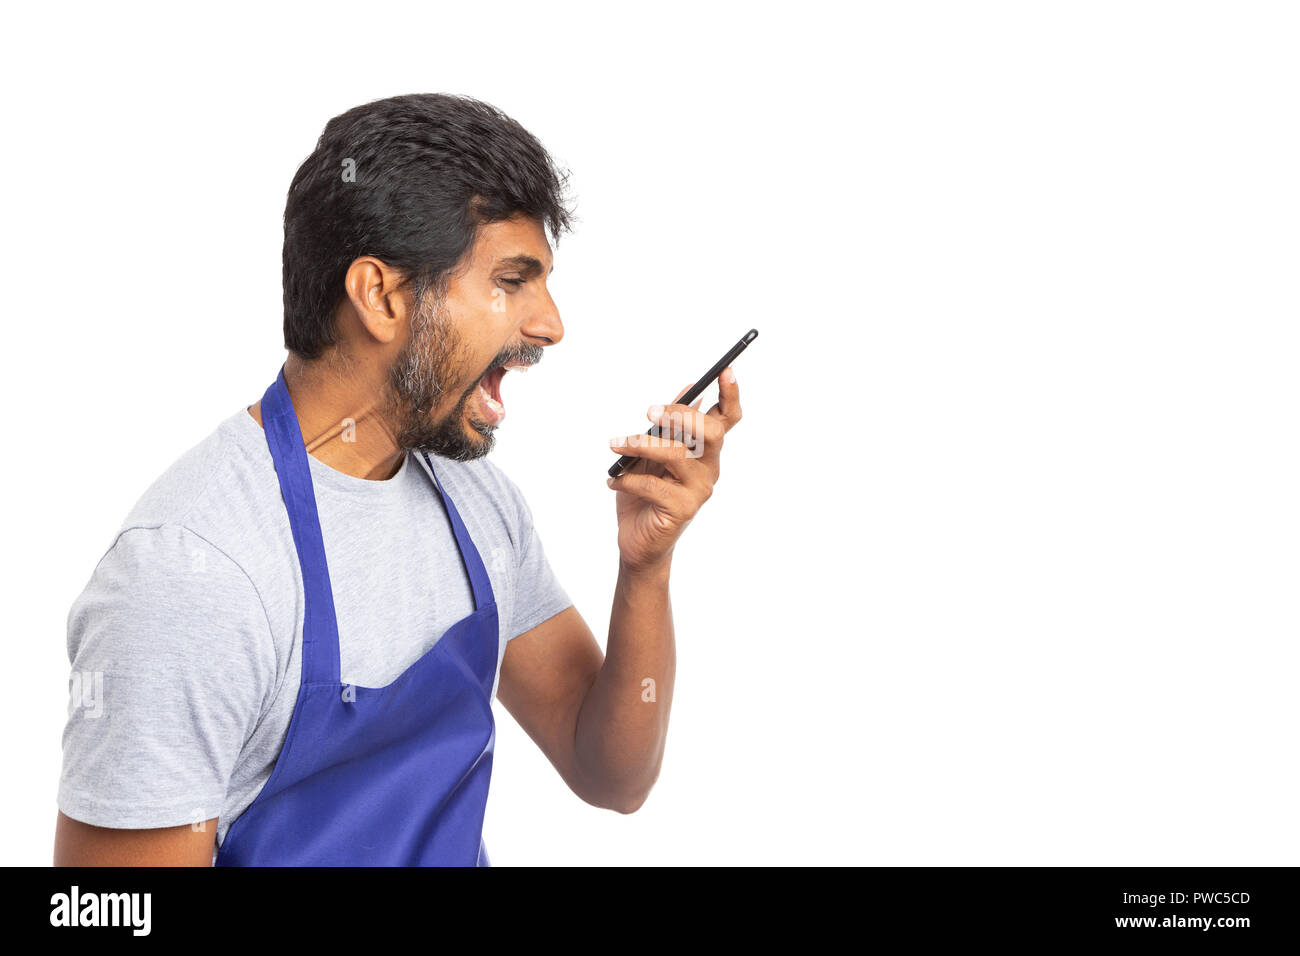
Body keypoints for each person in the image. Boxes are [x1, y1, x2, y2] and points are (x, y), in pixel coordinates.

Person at [53, 93, 743, 866]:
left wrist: (646, 564)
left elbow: (610, 774)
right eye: (512, 281)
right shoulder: (197, 570)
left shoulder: (476, 503)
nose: (551, 324)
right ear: (380, 295)